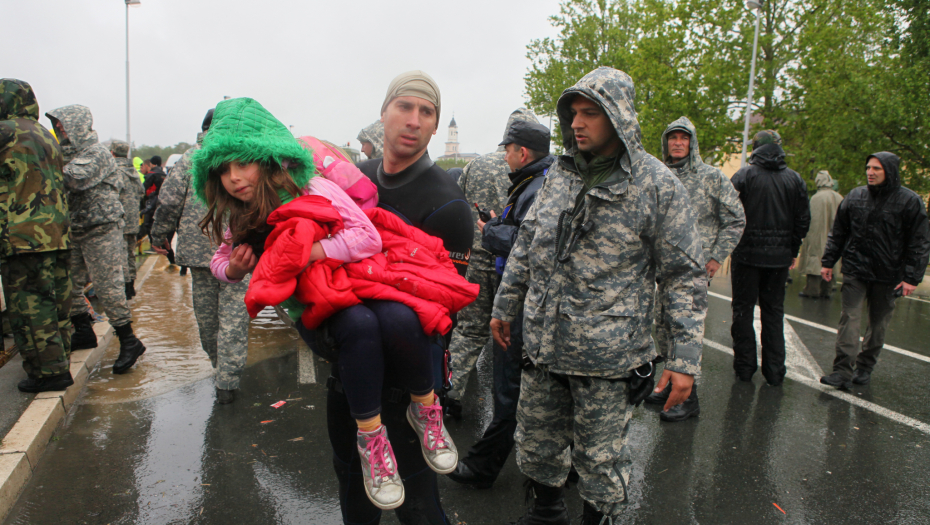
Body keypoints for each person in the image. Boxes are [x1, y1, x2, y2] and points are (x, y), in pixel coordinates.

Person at [194, 97, 466, 515]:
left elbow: (367, 238)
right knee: (358, 329)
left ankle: (426, 410)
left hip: (362, 290)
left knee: (397, 318)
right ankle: (371, 437)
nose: (233, 178)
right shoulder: (240, 212)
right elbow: (220, 260)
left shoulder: (314, 188)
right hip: (337, 328)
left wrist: (310, 251)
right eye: (223, 169)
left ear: (266, 157)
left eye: (242, 163)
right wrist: (232, 269)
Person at [490, 67, 706, 525]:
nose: (577, 124)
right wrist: (505, 305)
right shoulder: (560, 175)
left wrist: (684, 361)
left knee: (600, 462)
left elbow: (684, 277)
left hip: (607, 363)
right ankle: (546, 513)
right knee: (537, 447)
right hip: (544, 351)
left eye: (591, 113)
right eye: (572, 114)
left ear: (618, 116)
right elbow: (529, 241)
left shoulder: (656, 184)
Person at [355, 70, 474, 524]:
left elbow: (446, 309)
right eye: (404, 106)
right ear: (383, 114)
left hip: (412, 384)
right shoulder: (356, 182)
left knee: (419, 509)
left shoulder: (448, 204)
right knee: (355, 497)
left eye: (427, 112)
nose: (414, 119)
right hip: (352, 377)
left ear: (435, 126)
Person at [448, 119, 554, 489]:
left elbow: (532, 244)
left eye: (507, 149)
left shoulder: (538, 186)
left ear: (521, 152)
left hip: (523, 299)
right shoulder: (539, 182)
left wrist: (492, 231)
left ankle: (484, 465)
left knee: (509, 386)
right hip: (525, 296)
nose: (503, 155)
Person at [645, 116, 745, 422]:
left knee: (685, 329)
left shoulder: (711, 177)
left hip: (692, 270)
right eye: (672, 137)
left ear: (692, 143)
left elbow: (736, 219)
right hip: (662, 267)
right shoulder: (659, 175)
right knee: (663, 326)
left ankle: (688, 399)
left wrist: (716, 256)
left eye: (683, 138)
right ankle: (668, 384)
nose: (677, 143)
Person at [150, 109, 252, 404]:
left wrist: (160, 236)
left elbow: (168, 201)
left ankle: (220, 370)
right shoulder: (243, 154)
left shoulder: (190, 158)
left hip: (200, 251)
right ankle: (227, 383)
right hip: (240, 252)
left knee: (207, 319)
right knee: (234, 318)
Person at [445, 107, 539, 419]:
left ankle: (450, 393)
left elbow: (456, 205)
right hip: (512, 266)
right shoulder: (534, 171)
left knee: (469, 330)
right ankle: (510, 410)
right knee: (510, 339)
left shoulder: (475, 165)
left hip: (474, 260)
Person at [45, 104, 146, 374]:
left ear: (77, 125)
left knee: (107, 287)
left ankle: (129, 340)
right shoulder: (65, 154)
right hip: (75, 228)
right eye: (57, 126)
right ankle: (82, 330)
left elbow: (74, 179)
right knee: (66, 283)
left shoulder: (96, 153)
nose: (59, 130)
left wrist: (41, 160)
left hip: (101, 228)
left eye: (63, 125)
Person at [819, 152, 930, 389]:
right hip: (855, 269)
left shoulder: (909, 201)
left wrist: (912, 277)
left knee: (878, 325)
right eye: (868, 167)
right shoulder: (856, 196)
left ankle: (865, 366)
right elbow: (839, 231)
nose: (870, 172)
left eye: (877, 169)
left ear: (890, 171)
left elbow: (919, 241)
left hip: (888, 274)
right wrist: (828, 261)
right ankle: (841, 371)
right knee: (849, 318)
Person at [0, 78, 73, 392]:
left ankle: (48, 373)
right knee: (56, 301)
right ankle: (60, 361)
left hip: (23, 234)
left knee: (29, 306)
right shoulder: (46, 134)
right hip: (55, 231)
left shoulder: (6, 131)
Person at [729, 130, 810, 386]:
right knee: (773, 313)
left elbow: (728, 213)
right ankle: (775, 371)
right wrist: (792, 250)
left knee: (742, 311)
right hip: (778, 259)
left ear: (755, 147)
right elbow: (802, 220)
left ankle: (744, 367)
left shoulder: (744, 176)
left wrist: (732, 244)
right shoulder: (794, 179)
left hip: (746, 256)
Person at [797, 170, 844, 299]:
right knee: (831, 261)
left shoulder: (817, 198)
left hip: (819, 235)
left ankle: (812, 290)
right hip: (834, 237)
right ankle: (827, 290)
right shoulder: (838, 197)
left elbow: (814, 221)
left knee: (815, 260)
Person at [110, 140, 144, 300]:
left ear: (113, 153)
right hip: (133, 220)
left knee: (120, 254)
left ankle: (126, 288)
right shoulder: (133, 171)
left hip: (119, 220)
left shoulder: (113, 170)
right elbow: (142, 191)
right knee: (131, 253)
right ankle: (131, 286)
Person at [138, 155, 166, 241]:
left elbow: (144, 191)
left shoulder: (151, 175)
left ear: (150, 164)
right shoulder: (163, 174)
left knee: (148, 224)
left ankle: (154, 244)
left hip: (151, 203)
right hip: (162, 202)